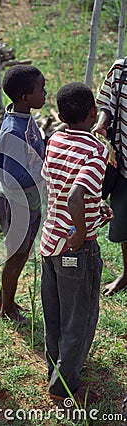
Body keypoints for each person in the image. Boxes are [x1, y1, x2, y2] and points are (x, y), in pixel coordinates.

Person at [40, 82, 113, 405]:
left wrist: (98, 209)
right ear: (94, 113)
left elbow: (60, 186)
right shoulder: (96, 150)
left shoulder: (55, 139)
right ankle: (65, 387)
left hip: (50, 241)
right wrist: (82, 232)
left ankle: (55, 369)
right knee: (79, 319)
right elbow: (75, 194)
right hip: (76, 248)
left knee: (54, 313)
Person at [0, 65, 46, 323]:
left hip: (28, 200)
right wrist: (44, 168)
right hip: (16, 202)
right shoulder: (13, 130)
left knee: (22, 252)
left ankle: (3, 298)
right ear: (26, 97)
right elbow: (13, 178)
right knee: (16, 255)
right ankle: (8, 308)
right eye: (41, 90)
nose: (45, 94)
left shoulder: (23, 117)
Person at [95, 57, 127, 296]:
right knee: (123, 222)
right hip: (123, 163)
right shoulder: (121, 68)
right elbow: (107, 101)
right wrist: (102, 124)